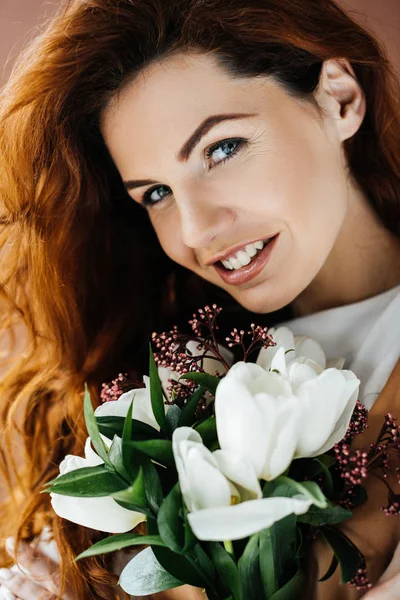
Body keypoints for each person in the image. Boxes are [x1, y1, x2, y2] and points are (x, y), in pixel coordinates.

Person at [0, 0, 399, 598]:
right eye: (156, 192)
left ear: (339, 98)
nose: (195, 231)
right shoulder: (166, 383)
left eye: (222, 149)